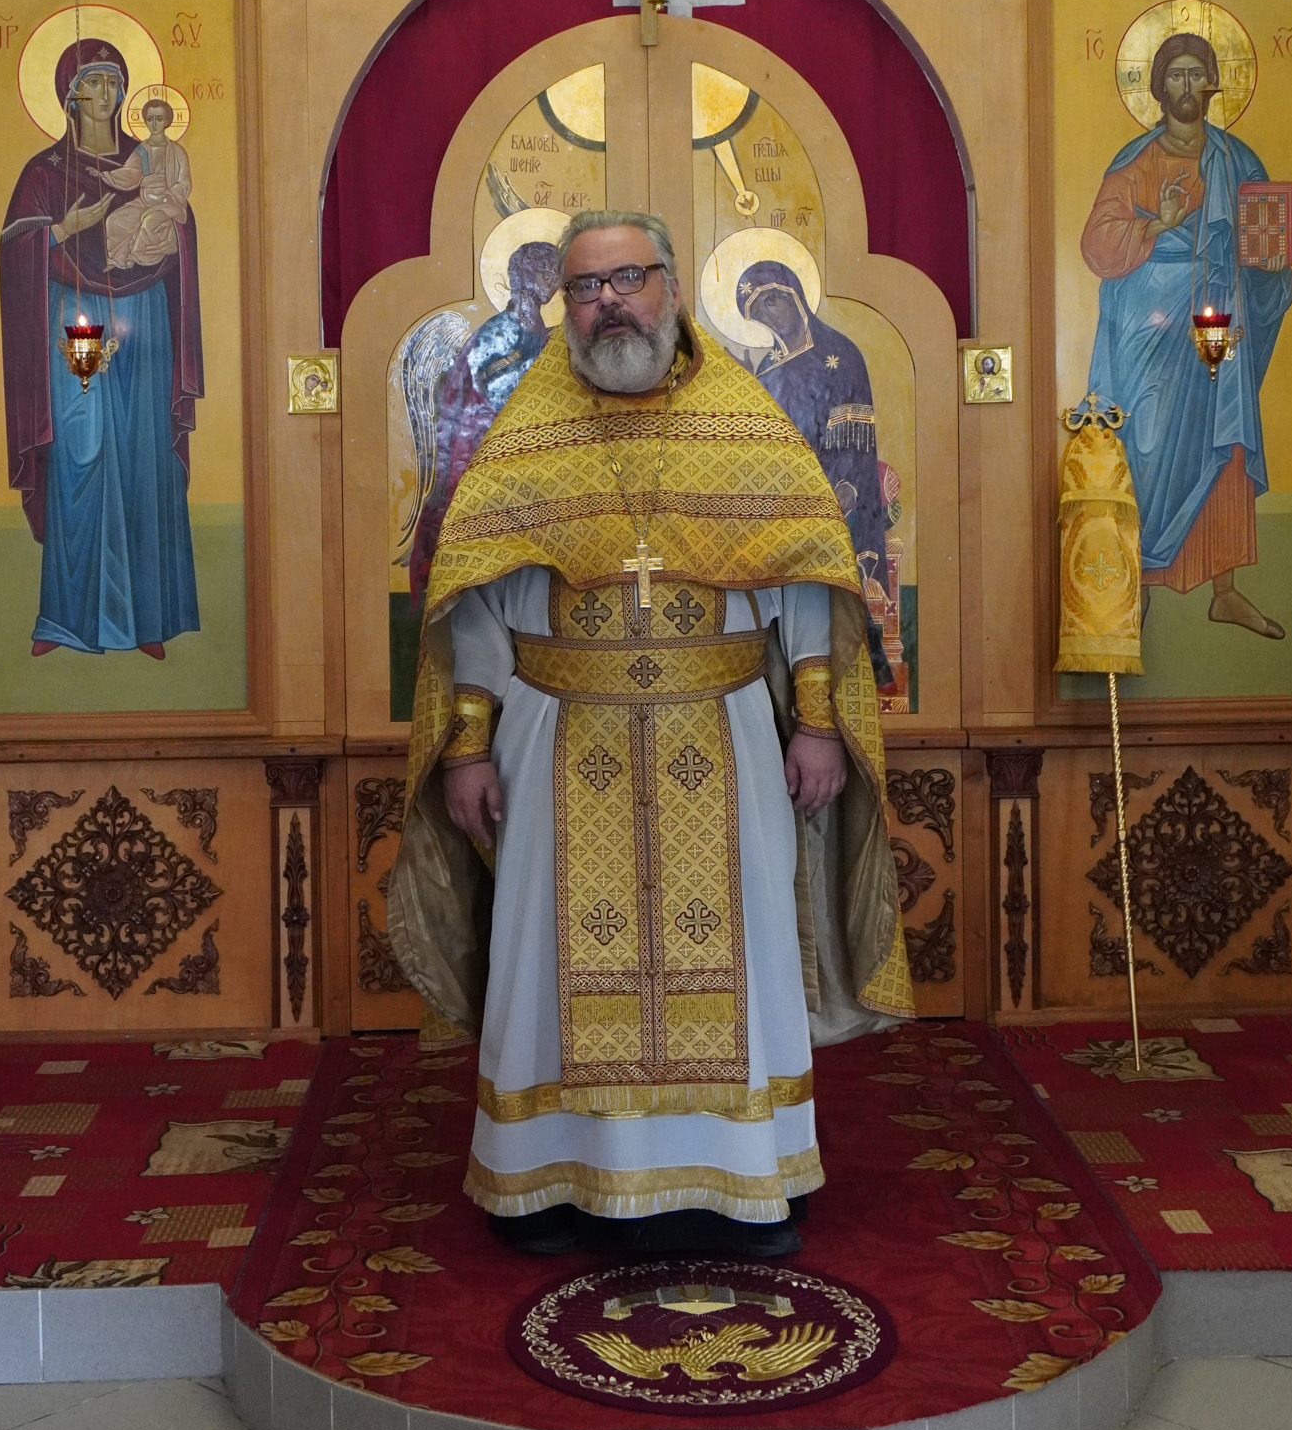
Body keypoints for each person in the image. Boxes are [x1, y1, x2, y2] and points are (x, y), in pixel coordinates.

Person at [390, 210, 911, 1259]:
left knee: (744, 953)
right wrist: (467, 744)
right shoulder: (525, 438)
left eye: (628, 278)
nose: (608, 303)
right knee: (545, 962)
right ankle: (547, 1181)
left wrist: (817, 725)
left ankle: (745, 1179)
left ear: (671, 286)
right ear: (563, 307)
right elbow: (475, 604)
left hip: (723, 731)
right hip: (554, 733)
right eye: (585, 287)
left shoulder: (745, 428)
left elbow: (806, 581)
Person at [1080, 32, 1292, 636]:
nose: (1187, 85)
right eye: (1175, 74)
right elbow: (1097, 243)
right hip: (1150, 321)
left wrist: (1270, 265)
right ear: (1157, 87)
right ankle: (1142, 584)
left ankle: (1225, 590)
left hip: (1219, 312)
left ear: (1214, 83)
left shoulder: (1237, 160)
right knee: (1147, 443)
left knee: (1225, 436)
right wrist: (1156, 224)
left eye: (1198, 73)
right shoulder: (1137, 160)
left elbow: (1263, 239)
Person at [0, 40, 203, 658]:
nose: (106, 91)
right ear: (69, 95)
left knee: (145, 451)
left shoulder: (149, 158)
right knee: (79, 449)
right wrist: (68, 228)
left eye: (114, 80)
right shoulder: (43, 172)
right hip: (75, 317)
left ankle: (147, 620)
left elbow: (181, 223)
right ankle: (66, 619)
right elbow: (14, 250)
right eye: (93, 80)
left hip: (144, 317)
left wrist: (173, 223)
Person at [736, 259, 895, 690]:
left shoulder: (840, 355)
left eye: (773, 301)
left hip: (834, 496)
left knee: (831, 600)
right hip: (778, 505)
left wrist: (839, 493)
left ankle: (860, 668)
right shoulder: (766, 368)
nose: (770, 316)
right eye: (759, 312)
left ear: (795, 296)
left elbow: (855, 445)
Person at [406, 238, 561, 604]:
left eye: (556, 271)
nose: (551, 279)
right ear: (521, 275)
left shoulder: (539, 329)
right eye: (542, 270)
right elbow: (494, 396)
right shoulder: (498, 331)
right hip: (488, 455)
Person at [103, 97, 192, 270]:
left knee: (149, 220)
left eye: (159, 119)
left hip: (169, 203)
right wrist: (106, 175)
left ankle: (136, 257)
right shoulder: (142, 150)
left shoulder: (177, 152)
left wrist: (169, 195)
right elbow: (131, 173)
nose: (154, 123)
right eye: (150, 119)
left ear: (167, 121)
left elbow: (184, 182)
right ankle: (117, 260)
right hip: (144, 201)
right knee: (114, 220)